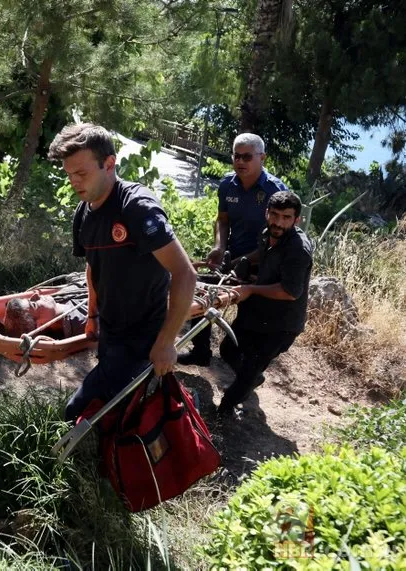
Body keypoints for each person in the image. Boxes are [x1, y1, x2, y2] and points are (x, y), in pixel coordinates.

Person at [48, 123, 197, 422]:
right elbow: (93, 267)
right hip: (111, 330)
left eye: (81, 173)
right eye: (69, 174)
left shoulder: (137, 208)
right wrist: (92, 316)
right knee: (116, 411)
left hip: (145, 335)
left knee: (76, 413)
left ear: (109, 164)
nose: (74, 182)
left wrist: (166, 342)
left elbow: (185, 274)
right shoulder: (84, 212)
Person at [178, 133, 289, 366]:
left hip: (262, 266)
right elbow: (222, 220)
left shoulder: (275, 191)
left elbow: (281, 241)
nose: (240, 162)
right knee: (201, 295)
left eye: (247, 157)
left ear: (262, 158)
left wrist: (245, 260)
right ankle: (200, 352)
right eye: (236, 156)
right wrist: (219, 246)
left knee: (246, 326)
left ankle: (246, 374)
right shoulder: (228, 184)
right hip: (231, 259)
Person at [217, 191, 312, 418]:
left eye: (286, 217)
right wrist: (242, 261)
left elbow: (290, 292)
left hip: (281, 324)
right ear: (266, 213)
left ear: (296, 220)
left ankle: (225, 411)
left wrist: (250, 289)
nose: (278, 222)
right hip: (257, 312)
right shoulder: (268, 233)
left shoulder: (298, 249)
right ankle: (251, 379)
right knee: (228, 349)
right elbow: (263, 253)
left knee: (248, 371)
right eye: (274, 214)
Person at [2, 292, 87, 338]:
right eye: (34, 304)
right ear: (40, 325)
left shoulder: (60, 297)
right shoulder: (83, 321)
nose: (35, 295)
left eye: (30, 299)